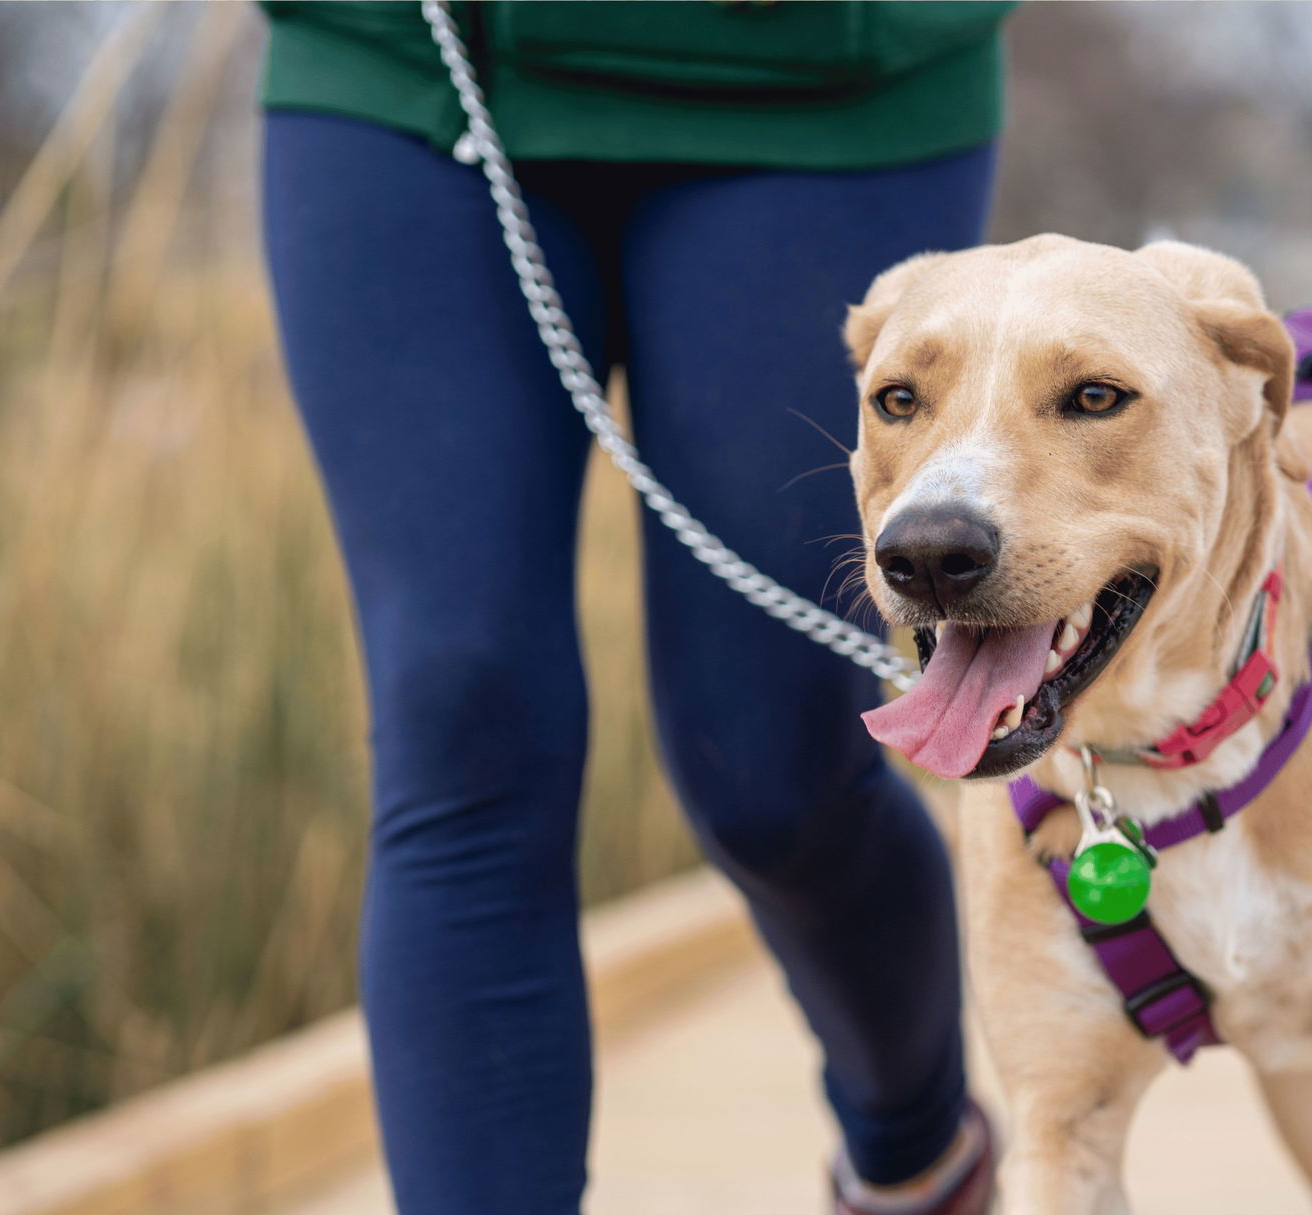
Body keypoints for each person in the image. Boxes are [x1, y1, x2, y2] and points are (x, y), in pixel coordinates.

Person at [257, 4, 1015, 1211]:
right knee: (461, 711)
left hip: (818, 90)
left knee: (772, 766)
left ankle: (919, 1147)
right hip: (415, 71)